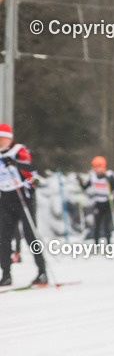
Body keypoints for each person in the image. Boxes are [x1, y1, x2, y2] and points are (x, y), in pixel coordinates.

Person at [0, 123, 47, 286]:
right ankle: (6, 274)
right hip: (5, 197)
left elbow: (31, 167)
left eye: (2, 138)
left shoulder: (19, 150)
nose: (0, 142)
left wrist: (15, 163)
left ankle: (42, 272)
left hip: (22, 196)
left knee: (30, 235)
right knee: (3, 237)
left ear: (9, 138)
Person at [79, 156, 114, 244]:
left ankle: (108, 243)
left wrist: (111, 180)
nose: (96, 169)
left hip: (108, 201)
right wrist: (80, 182)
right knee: (97, 224)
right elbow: (85, 187)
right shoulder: (93, 176)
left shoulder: (109, 175)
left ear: (103, 167)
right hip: (98, 202)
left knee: (106, 225)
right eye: (95, 167)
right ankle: (96, 244)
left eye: (98, 167)